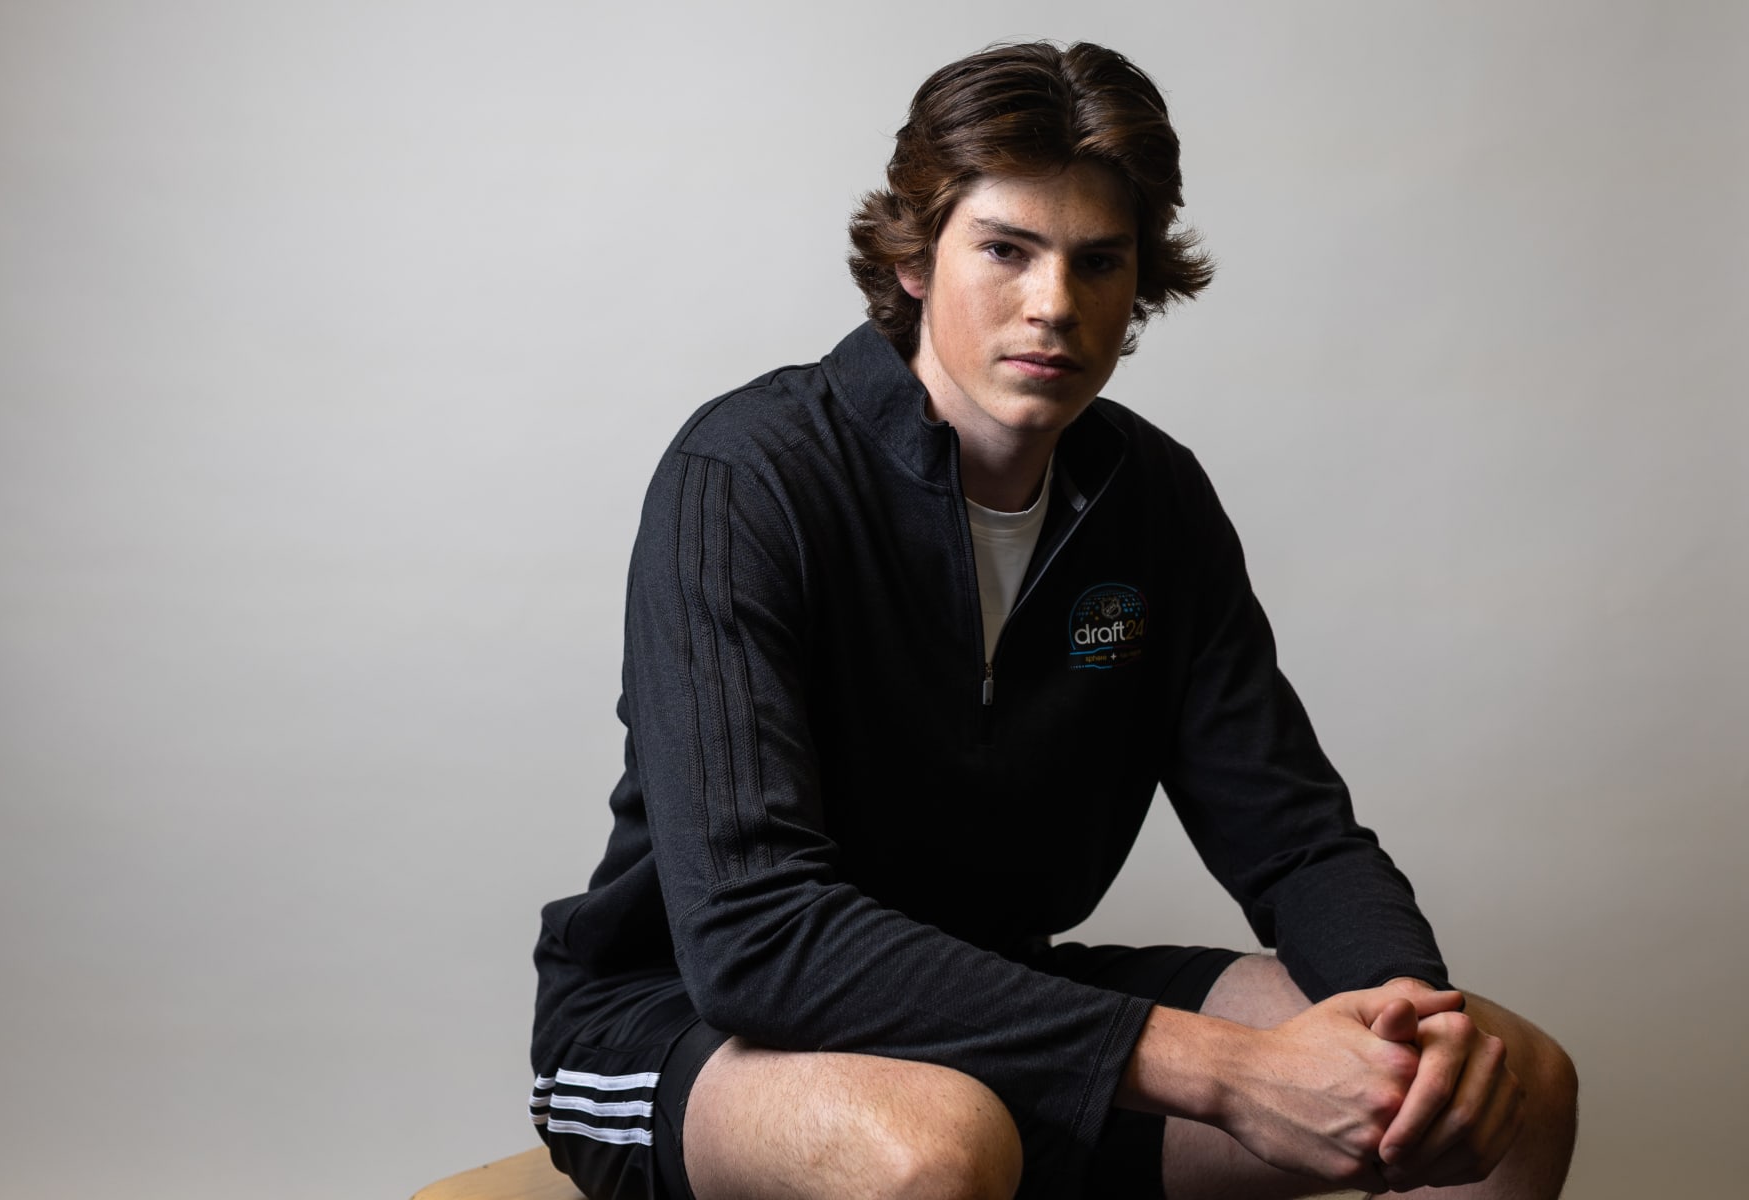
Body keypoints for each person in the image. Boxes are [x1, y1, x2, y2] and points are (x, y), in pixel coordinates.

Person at [530, 40, 1577, 1200]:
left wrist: (1409, 1013)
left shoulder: (1154, 502)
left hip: (997, 997)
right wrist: (1225, 1072)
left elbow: (1293, 838)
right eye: (1006, 250)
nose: (1054, 305)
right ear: (918, 257)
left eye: (1097, 262)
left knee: (1502, 1081)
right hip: (683, 1020)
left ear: (1142, 283)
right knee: (937, 1146)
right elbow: (754, 935)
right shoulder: (747, 476)